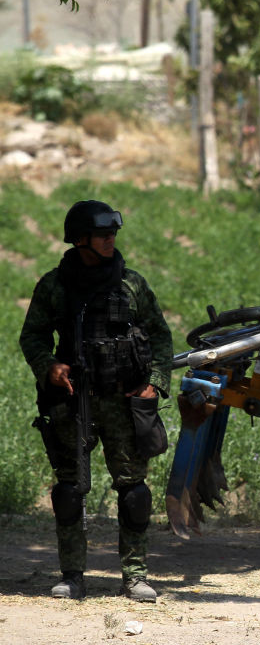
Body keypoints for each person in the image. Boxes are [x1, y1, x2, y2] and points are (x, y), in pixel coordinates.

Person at [19, 200, 172, 602]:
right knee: (69, 492)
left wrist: (154, 383)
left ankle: (135, 577)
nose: (111, 240)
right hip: (73, 402)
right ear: (80, 239)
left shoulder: (132, 284)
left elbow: (160, 336)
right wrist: (49, 367)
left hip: (123, 401)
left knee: (134, 493)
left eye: (113, 234)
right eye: (102, 234)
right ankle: (72, 576)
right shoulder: (54, 286)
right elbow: (32, 336)